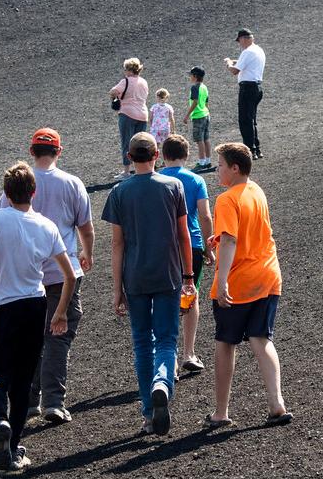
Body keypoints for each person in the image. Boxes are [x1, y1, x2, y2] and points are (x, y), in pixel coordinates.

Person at [0, 162, 76, 473]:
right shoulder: (46, 226)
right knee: (22, 380)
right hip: (36, 306)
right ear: (34, 192)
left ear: (6, 193)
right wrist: (59, 313)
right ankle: (13, 448)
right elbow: (68, 277)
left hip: (4, 307)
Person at [0, 128, 93, 425]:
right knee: (58, 338)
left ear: (31, 150)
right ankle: (53, 401)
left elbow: (0, 225)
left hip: (28, 275)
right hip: (64, 272)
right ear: (59, 151)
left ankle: (30, 399)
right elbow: (85, 227)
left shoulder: (19, 184)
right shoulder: (72, 183)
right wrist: (87, 252)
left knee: (31, 338)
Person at [103, 132, 192, 435]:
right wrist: (188, 276)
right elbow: (184, 236)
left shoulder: (119, 192)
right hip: (168, 273)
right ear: (157, 155)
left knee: (142, 343)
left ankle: (148, 412)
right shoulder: (174, 186)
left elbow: (117, 244)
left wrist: (117, 290)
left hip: (135, 276)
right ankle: (162, 384)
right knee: (166, 340)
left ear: (129, 157)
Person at [203, 142, 291, 430]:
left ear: (235, 168)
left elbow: (230, 240)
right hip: (267, 275)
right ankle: (276, 403)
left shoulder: (227, 199)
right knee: (261, 339)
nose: (218, 170)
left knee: (225, 343)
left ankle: (220, 412)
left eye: (221, 165)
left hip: (240, 281)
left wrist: (223, 279)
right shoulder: (256, 191)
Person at [159, 133, 213, 376]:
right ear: (187, 154)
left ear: (163, 154)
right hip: (192, 243)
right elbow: (205, 215)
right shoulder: (195, 180)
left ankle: (166, 356)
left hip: (163, 245)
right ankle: (188, 353)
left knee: (164, 296)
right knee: (191, 293)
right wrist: (209, 247)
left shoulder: (157, 179)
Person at [225, 29, 266, 159]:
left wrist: (228, 63)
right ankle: (256, 149)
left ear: (244, 38)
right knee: (251, 120)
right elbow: (245, 62)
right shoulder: (258, 50)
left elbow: (234, 71)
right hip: (257, 87)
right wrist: (235, 60)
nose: (239, 43)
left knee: (245, 121)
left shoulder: (247, 52)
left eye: (239, 40)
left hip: (247, 88)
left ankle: (250, 150)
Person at [109, 58, 150, 173]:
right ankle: (140, 169)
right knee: (140, 143)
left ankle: (126, 171)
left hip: (127, 114)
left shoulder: (125, 81)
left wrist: (115, 98)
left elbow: (113, 92)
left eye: (125, 69)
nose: (124, 72)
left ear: (130, 70)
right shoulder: (144, 82)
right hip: (142, 115)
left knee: (127, 143)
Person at [187, 66, 213, 171]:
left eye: (191, 75)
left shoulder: (194, 87)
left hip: (198, 116)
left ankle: (201, 162)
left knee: (199, 140)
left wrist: (187, 115)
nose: (190, 77)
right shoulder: (204, 87)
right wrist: (207, 113)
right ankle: (208, 160)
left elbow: (195, 102)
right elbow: (206, 102)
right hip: (206, 114)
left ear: (195, 76)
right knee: (206, 139)